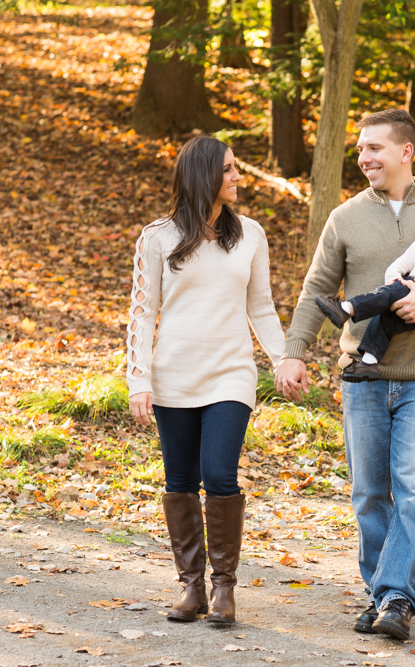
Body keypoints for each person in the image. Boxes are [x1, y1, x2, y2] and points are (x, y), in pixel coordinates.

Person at [275, 109, 415, 640]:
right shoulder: (345, 217)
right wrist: (294, 351)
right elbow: (315, 289)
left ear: (405, 152)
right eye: (359, 149)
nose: (364, 157)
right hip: (362, 376)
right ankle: (381, 596)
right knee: (370, 492)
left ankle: (397, 597)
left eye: (374, 147)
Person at [126, 136, 285, 626]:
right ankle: (190, 585)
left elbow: (261, 306)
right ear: (203, 176)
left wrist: (283, 359)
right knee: (179, 481)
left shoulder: (252, 234)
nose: (239, 177)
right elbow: (141, 311)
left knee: (219, 476)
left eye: (237, 169)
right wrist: (138, 379)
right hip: (174, 375)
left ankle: (223, 588)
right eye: (230, 169)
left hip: (231, 374)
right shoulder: (156, 237)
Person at [314, 192, 415, 383]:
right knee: (384, 320)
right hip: (406, 286)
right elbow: (402, 262)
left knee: (392, 295)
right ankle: (369, 362)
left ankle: (347, 309)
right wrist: (393, 278)